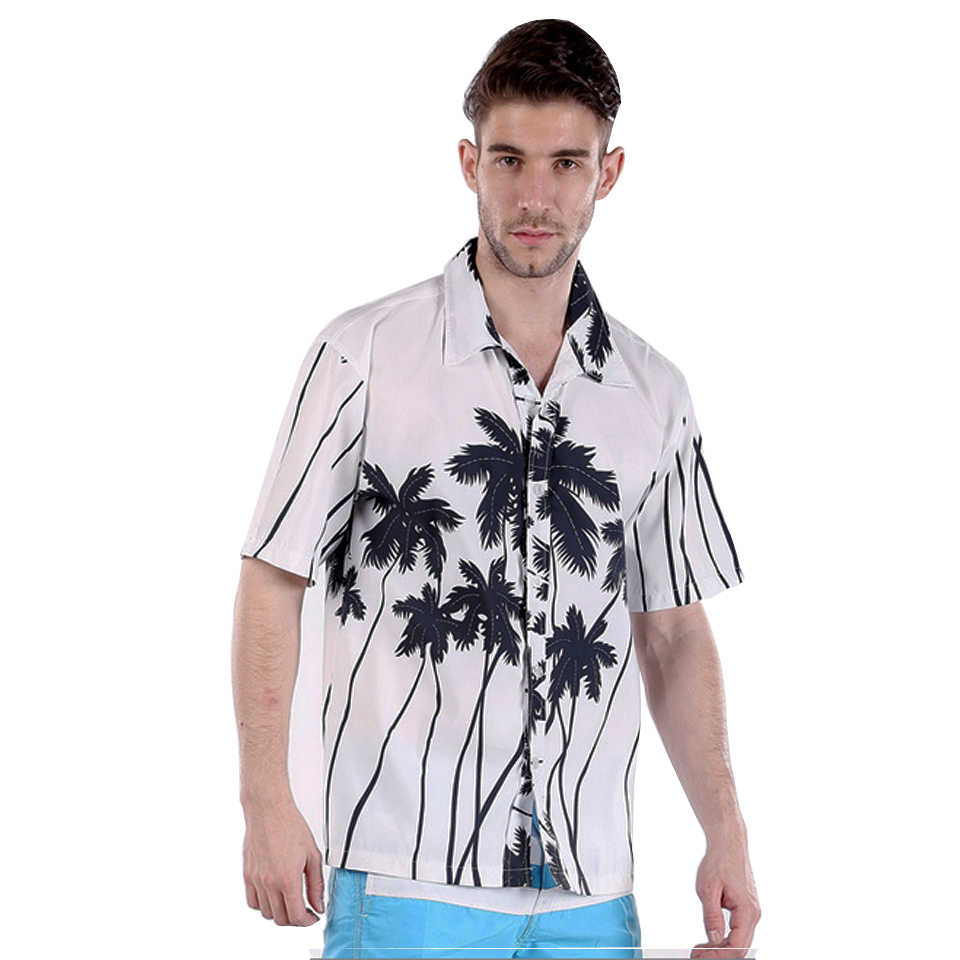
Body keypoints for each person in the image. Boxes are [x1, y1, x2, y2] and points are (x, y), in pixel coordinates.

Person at [232, 18, 761, 960]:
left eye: (566, 163)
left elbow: (674, 630)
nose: (534, 196)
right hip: (405, 883)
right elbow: (273, 577)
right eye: (510, 159)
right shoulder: (363, 356)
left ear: (608, 173)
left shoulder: (654, 393)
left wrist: (726, 828)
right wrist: (266, 803)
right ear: (469, 163)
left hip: (593, 896)